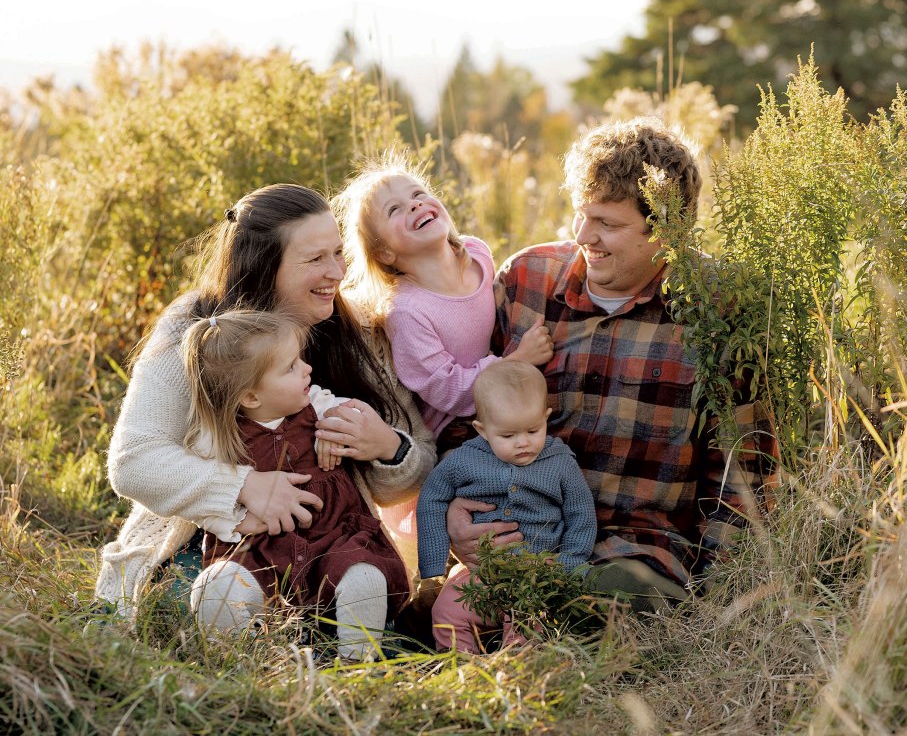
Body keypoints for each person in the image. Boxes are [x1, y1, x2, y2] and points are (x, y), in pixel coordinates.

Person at [447, 117, 778, 612]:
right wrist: (454, 510)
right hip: (520, 526)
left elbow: (741, 470)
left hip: (638, 552)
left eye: (608, 223)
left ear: (668, 230)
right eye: (581, 215)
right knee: (438, 616)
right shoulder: (525, 281)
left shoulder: (717, 310)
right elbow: (458, 407)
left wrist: (716, 595)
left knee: (590, 611)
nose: (585, 235)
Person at [95, 184, 435, 621]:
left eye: (337, 252)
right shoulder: (197, 327)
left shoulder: (358, 334)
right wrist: (243, 488)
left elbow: (422, 461)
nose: (336, 271)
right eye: (315, 259)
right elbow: (134, 460)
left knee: (355, 605)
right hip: (210, 547)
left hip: (331, 545)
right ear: (263, 267)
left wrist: (387, 446)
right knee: (196, 608)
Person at [180, 309, 409, 659]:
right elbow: (199, 495)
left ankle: (357, 663)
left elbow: (356, 412)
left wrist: (335, 428)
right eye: (290, 367)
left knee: (365, 579)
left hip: (334, 541)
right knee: (214, 589)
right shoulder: (213, 439)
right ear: (251, 397)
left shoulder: (317, 403)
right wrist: (233, 520)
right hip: (259, 553)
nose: (307, 369)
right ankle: (242, 663)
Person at [336, 156, 553, 455]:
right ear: (385, 252)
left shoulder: (477, 255)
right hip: (458, 428)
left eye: (418, 194)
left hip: (507, 403)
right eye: (395, 209)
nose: (414, 204)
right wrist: (517, 362)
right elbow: (446, 390)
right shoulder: (408, 311)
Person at [417, 360, 595, 653]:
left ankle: (516, 673)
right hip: (485, 573)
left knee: (529, 618)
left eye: (532, 430)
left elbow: (581, 513)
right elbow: (432, 497)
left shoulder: (560, 462)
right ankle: (463, 672)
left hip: (540, 569)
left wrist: (571, 562)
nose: (523, 443)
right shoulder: (464, 461)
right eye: (508, 436)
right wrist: (434, 560)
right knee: (446, 611)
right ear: (483, 430)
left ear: (545, 418)